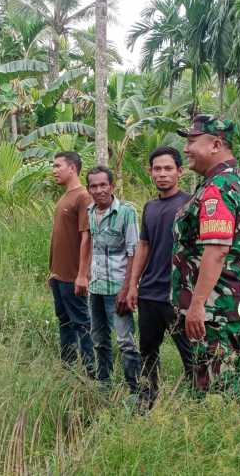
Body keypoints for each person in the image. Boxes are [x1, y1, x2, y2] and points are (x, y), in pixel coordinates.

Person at [170, 115, 240, 397]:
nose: (186, 148)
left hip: (215, 309)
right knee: (217, 384)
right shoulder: (235, 181)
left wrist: (197, 305)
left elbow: (216, 250)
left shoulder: (217, 189)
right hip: (223, 305)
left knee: (218, 392)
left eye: (193, 141)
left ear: (216, 144)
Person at [125, 147, 194, 406]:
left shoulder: (190, 204)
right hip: (149, 294)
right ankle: (147, 403)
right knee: (148, 353)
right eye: (157, 169)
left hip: (177, 296)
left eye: (168, 169)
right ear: (150, 172)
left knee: (190, 356)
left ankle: (195, 405)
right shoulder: (150, 207)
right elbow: (144, 245)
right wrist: (133, 284)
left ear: (180, 171)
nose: (162, 174)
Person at [84, 166, 141, 394]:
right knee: (99, 340)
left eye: (103, 185)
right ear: (89, 189)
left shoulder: (126, 212)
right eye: (94, 186)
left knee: (125, 342)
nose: (99, 190)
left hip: (118, 288)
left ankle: (135, 389)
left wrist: (127, 289)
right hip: (96, 288)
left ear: (112, 186)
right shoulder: (90, 212)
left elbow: (133, 252)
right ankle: (104, 385)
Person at [48, 151, 95, 377]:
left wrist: (82, 274)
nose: (54, 170)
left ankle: (91, 371)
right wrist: (53, 272)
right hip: (59, 276)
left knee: (82, 323)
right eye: (53, 166)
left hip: (73, 276)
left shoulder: (83, 197)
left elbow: (87, 237)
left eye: (58, 166)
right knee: (64, 322)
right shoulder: (65, 196)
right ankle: (67, 369)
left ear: (72, 168)